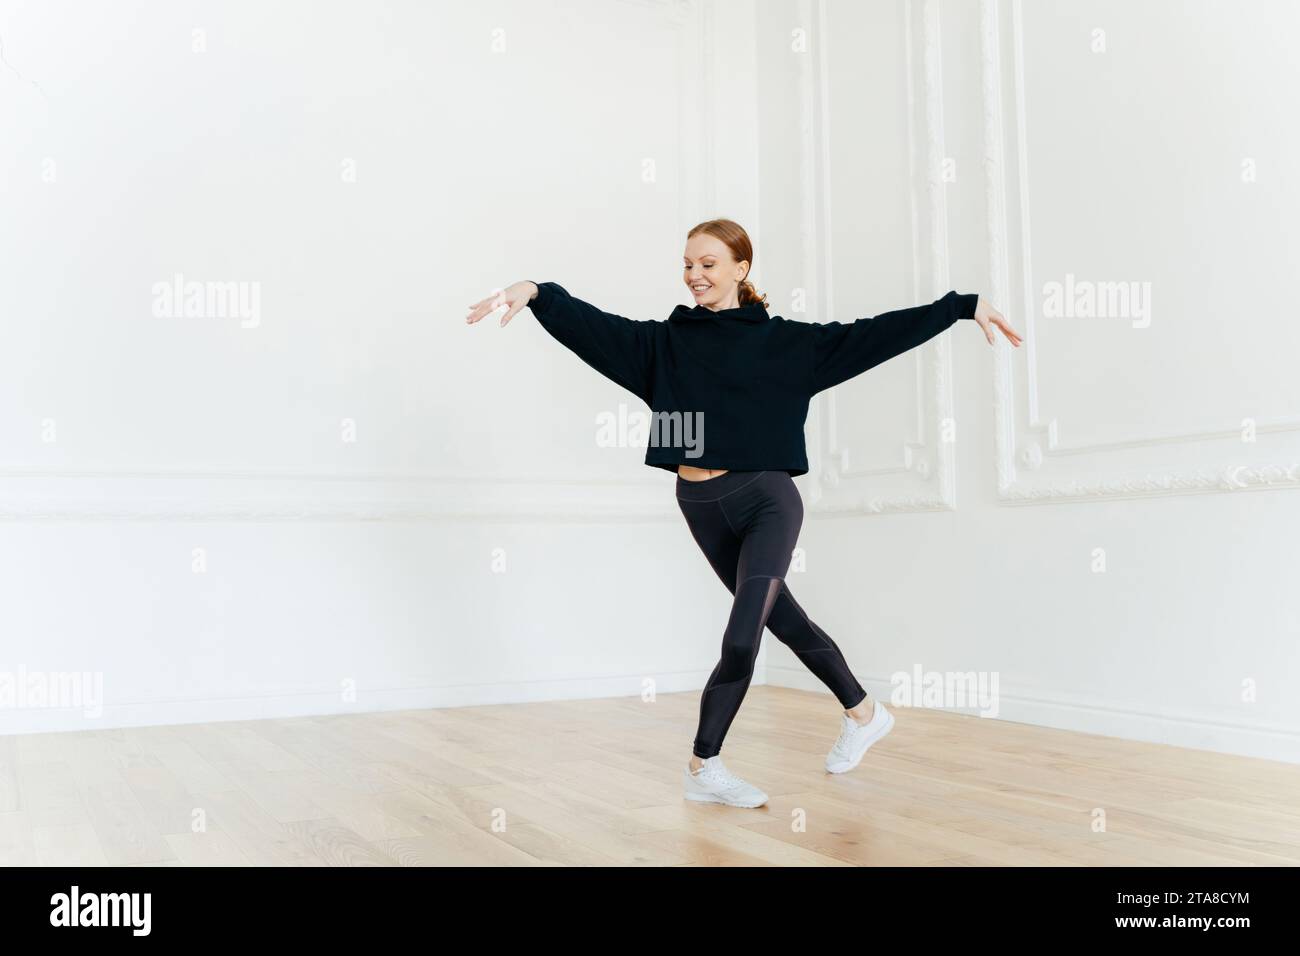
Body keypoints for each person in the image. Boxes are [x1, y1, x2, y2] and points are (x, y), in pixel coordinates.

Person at [466, 218, 1022, 808]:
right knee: (782, 618)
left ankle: (703, 764)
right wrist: (535, 293)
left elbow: (872, 336)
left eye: (708, 264)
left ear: (740, 269)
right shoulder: (665, 345)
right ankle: (863, 713)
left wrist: (961, 306)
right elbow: (593, 328)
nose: (695, 275)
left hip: (766, 500)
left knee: (742, 635)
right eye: (687, 264)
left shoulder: (786, 344)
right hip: (699, 505)